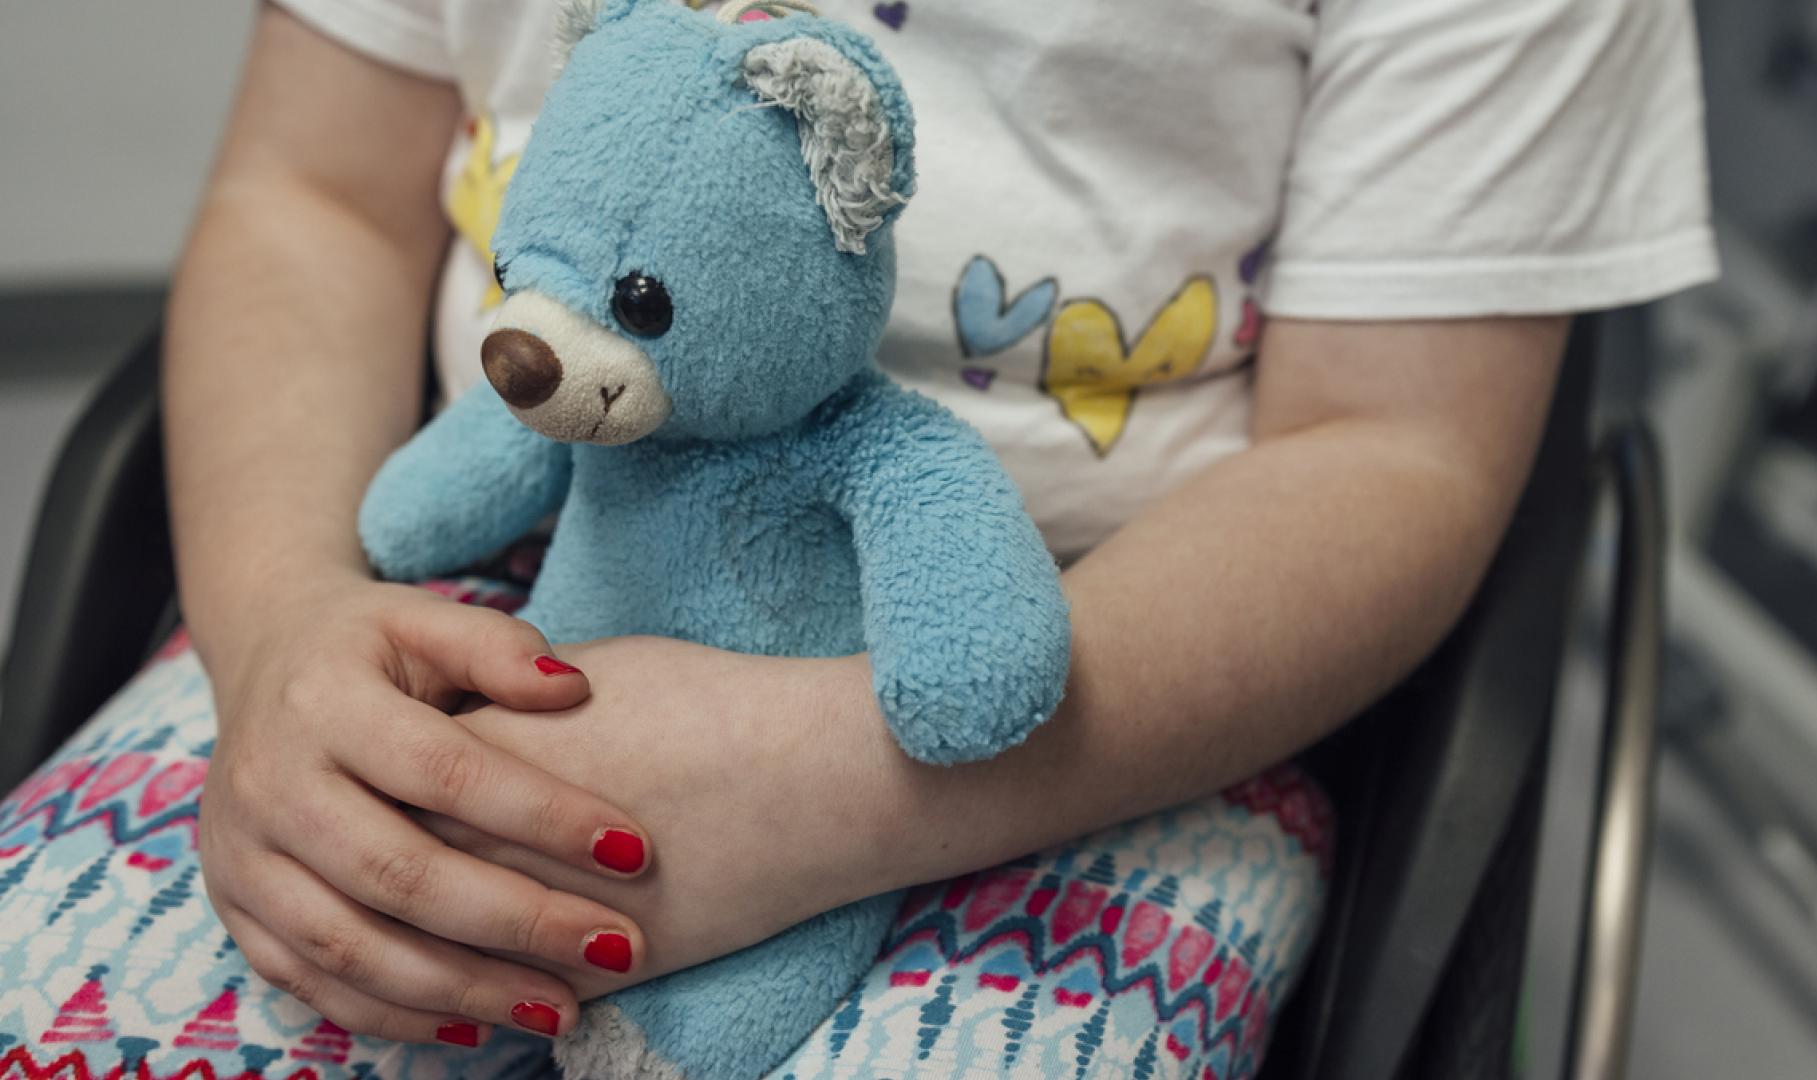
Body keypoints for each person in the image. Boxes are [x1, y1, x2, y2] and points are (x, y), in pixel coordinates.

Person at [0, 0, 1715, 1075]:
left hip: (1108, 703)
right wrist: (282, 621)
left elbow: (1389, 450)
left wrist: (831, 783)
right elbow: (314, 200)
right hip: (435, 607)